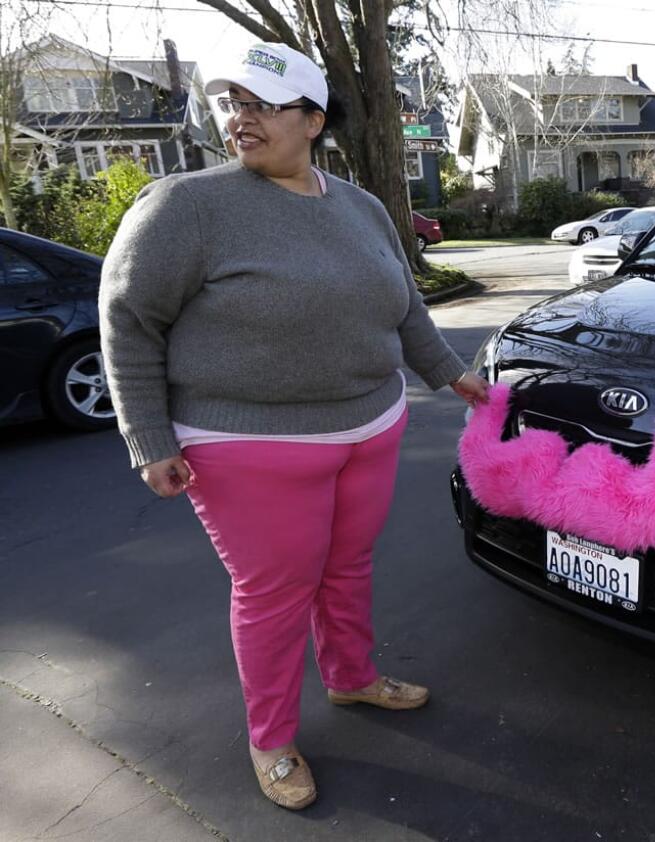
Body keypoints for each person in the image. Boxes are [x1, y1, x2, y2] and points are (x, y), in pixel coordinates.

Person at [99, 41, 489, 810]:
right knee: (275, 593)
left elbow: (404, 305)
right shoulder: (188, 205)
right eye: (232, 104)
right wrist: (149, 438)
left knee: (348, 568)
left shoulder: (362, 206)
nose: (241, 119)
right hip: (246, 444)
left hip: (370, 426)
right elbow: (129, 320)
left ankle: (351, 679)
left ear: (313, 120)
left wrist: (450, 372)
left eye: (262, 105)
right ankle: (272, 738)